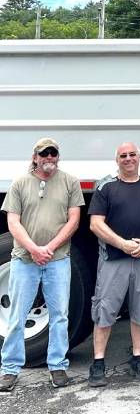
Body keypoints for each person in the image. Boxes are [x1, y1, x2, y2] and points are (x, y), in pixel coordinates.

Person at [0, 138, 84, 392]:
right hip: (24, 260)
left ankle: (57, 366)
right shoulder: (20, 183)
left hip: (57, 260)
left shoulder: (70, 182)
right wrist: (34, 249)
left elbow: (74, 220)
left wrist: (49, 248)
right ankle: (9, 369)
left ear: (58, 156)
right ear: (35, 156)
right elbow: (13, 222)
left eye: (53, 153)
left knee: (60, 317)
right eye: (43, 153)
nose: (49, 157)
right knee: (16, 317)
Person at [87, 142, 140, 387]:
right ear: (117, 160)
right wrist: (122, 244)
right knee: (105, 309)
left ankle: (138, 358)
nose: (128, 159)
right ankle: (98, 363)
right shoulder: (106, 187)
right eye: (123, 156)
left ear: (139, 158)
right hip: (114, 259)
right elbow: (95, 224)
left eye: (132, 154)